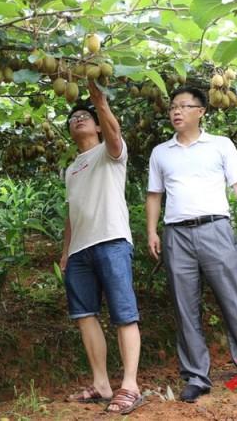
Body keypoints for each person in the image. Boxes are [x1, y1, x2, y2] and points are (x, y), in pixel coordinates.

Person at [146, 86, 237, 403]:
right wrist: (152, 231)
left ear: (201, 111)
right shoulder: (161, 152)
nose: (176, 111)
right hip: (177, 235)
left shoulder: (221, 145)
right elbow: (155, 195)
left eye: (184, 106)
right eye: (173, 106)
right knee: (185, 307)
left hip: (216, 228)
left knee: (235, 303)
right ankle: (197, 377)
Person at [59, 80, 143, 415]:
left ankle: (131, 385)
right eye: (72, 118)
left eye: (84, 116)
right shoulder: (71, 169)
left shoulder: (110, 152)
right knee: (85, 316)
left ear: (97, 125)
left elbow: (115, 135)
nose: (77, 119)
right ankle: (101, 383)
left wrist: (101, 104)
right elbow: (71, 212)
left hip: (111, 240)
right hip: (79, 250)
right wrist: (66, 251)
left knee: (124, 313)